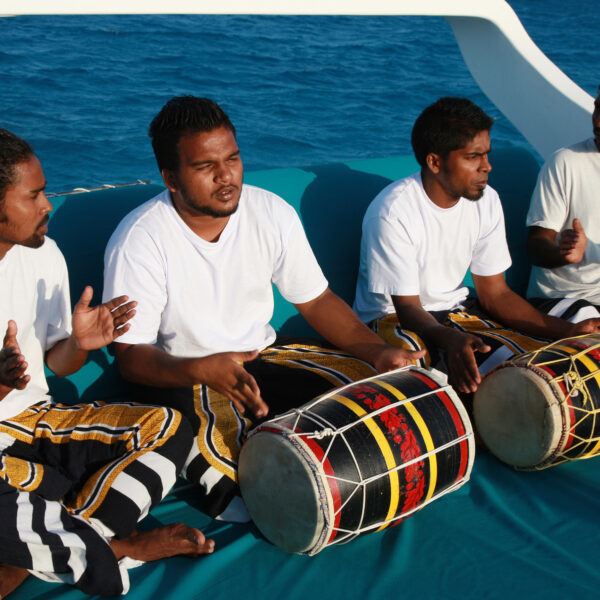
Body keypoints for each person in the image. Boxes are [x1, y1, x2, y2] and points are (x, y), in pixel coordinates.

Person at [102, 96, 424, 522]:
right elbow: (131, 358)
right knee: (231, 478)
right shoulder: (140, 240)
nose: (226, 176)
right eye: (204, 167)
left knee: (387, 396)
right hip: (184, 376)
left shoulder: (270, 211)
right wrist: (202, 369)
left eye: (233, 158)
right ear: (171, 178)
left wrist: (376, 351)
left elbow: (316, 300)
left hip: (263, 356)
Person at [0, 129, 214, 599]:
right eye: (34, 195)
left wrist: (80, 342)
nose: (46, 206)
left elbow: (57, 366)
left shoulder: (44, 253)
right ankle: (114, 544)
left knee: (168, 427)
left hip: (38, 425)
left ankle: (70, 531)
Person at [353, 97, 600, 397]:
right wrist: (450, 339)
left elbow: (495, 294)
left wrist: (567, 333)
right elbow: (407, 308)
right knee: (506, 377)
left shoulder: (486, 200)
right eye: (473, 157)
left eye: (487, 155)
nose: (487, 166)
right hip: (392, 322)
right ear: (434, 162)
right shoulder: (393, 211)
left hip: (456, 312)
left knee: (550, 363)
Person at [526, 86, 600, 320]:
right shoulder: (565, 162)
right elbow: (537, 245)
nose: (597, 123)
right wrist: (562, 252)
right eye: (598, 108)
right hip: (562, 297)